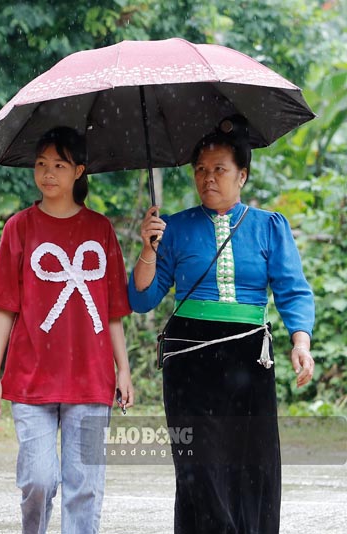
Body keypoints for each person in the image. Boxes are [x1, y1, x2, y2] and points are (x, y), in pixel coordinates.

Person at [128, 116, 316, 534]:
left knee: (254, 464)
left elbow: (293, 291)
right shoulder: (173, 228)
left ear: (242, 175)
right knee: (200, 466)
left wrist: (300, 341)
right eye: (200, 170)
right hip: (189, 362)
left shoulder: (269, 227)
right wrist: (148, 248)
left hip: (249, 360)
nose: (207, 178)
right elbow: (142, 299)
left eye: (219, 170)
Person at [0, 127, 133, 534]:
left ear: (79, 171)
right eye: (41, 165)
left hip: (90, 375)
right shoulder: (19, 228)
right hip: (31, 377)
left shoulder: (100, 230)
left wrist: (124, 369)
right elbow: (4, 309)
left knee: (84, 486)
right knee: (38, 480)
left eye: (59, 165)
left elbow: (114, 310)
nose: (48, 174)